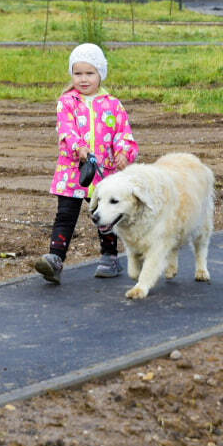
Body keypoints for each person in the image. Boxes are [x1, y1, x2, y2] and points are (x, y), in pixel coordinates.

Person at [33, 43, 138, 284]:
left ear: (101, 73)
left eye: (89, 73)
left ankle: (110, 257)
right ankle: (55, 260)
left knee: (106, 214)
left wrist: (124, 153)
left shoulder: (113, 104)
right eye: (77, 73)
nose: (83, 79)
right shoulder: (67, 101)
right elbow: (66, 129)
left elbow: (124, 133)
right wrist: (78, 147)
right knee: (65, 215)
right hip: (72, 172)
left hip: (104, 173)